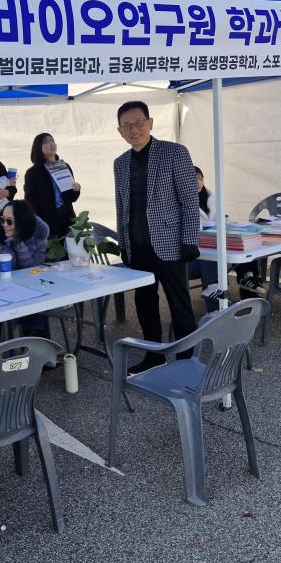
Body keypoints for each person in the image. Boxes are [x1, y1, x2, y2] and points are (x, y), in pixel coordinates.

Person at [113, 100, 198, 373]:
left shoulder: (174, 153)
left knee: (179, 304)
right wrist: (123, 244)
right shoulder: (120, 163)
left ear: (150, 123)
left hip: (170, 244)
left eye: (139, 122)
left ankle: (186, 360)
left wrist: (189, 240)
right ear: (120, 131)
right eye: (127, 125)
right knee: (145, 303)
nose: (134, 129)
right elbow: (121, 205)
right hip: (137, 245)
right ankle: (154, 355)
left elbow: (189, 200)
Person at [0, 200, 50, 348]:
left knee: (36, 308)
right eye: (2, 220)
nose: (4, 225)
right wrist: (7, 275)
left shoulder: (37, 237)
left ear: (22, 222)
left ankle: (38, 353)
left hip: (28, 291)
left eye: (9, 221)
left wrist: (19, 245)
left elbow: (34, 270)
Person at [23, 133, 81, 240]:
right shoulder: (33, 173)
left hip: (67, 219)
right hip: (47, 223)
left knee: (71, 248)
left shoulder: (64, 166)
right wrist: (39, 223)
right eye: (46, 142)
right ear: (38, 147)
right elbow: (30, 202)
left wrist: (76, 189)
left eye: (52, 141)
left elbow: (72, 197)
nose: (51, 144)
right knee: (52, 250)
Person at [190, 167, 220, 311]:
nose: (197, 182)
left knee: (242, 243)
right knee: (208, 255)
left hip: (210, 248)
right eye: (193, 178)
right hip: (190, 260)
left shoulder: (211, 198)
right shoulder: (181, 201)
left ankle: (249, 279)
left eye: (200, 178)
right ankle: (214, 309)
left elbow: (221, 221)